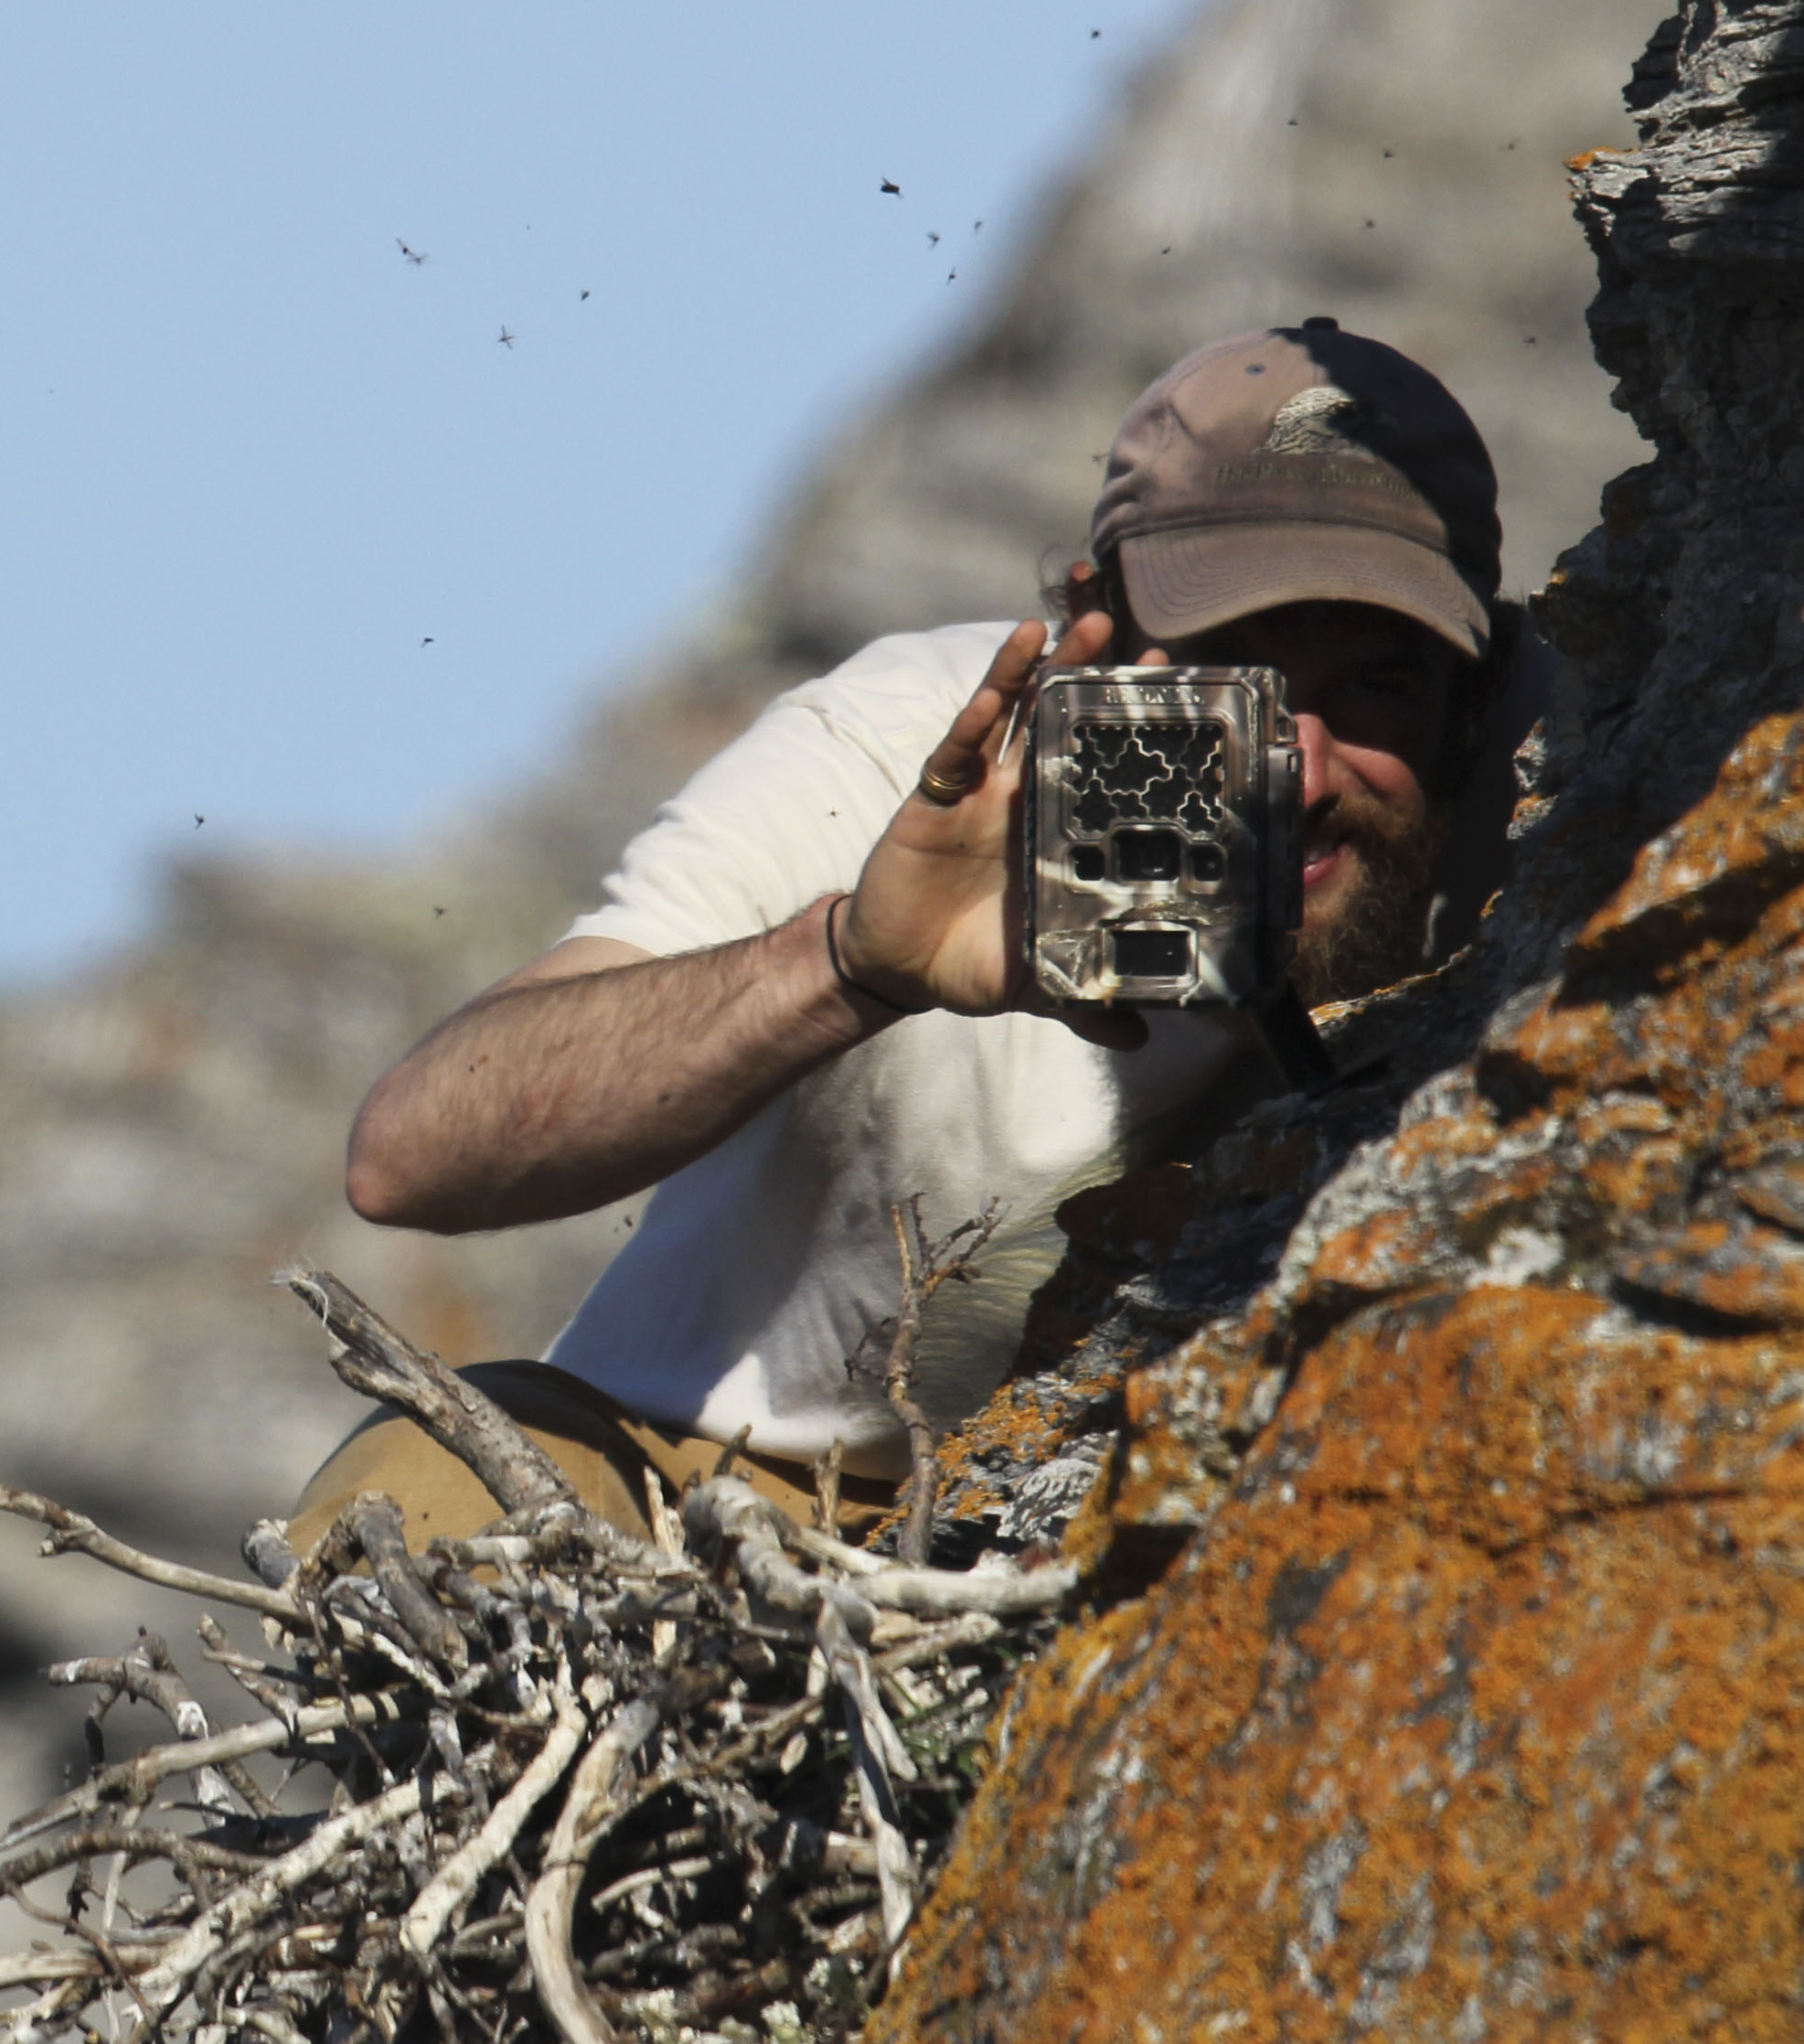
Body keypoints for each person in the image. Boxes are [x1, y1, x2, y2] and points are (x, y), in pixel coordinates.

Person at [293, 319, 1535, 1555]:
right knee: (427, 1495)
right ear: (1086, 637)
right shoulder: (902, 749)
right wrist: (846, 967)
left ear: (1474, 701)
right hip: (712, 1482)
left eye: (1378, 685)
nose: (1300, 771)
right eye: (1233, 675)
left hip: (1160, 1485)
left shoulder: (1571, 798)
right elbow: (408, 1157)